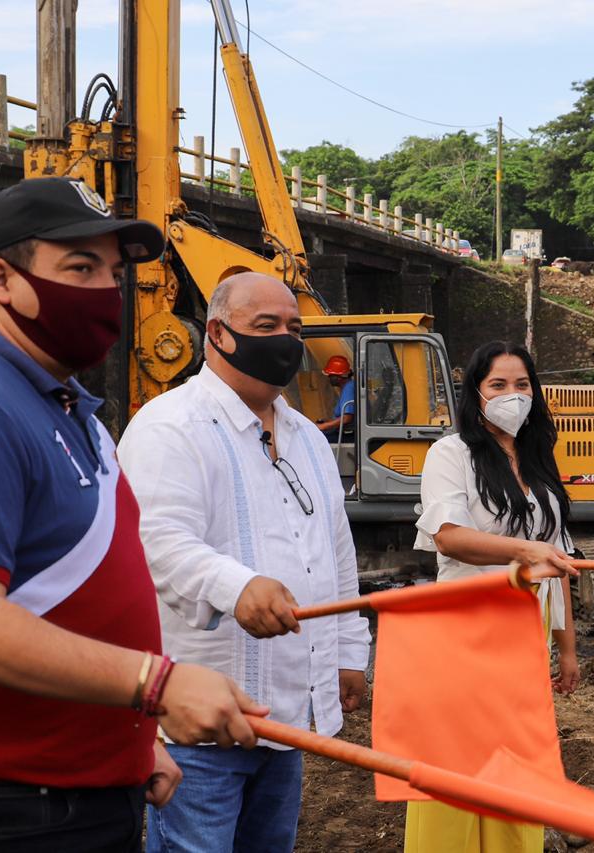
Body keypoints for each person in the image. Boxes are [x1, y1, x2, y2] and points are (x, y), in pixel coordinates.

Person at [0, 177, 268, 852]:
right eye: (78, 267)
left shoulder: (61, 402)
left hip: (72, 791)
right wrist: (156, 684)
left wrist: (129, 741)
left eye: (112, 272)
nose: (104, 292)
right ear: (1, 278)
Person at [117, 271, 371, 853]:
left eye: (293, 327)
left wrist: (349, 653)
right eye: (266, 326)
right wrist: (237, 587)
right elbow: (155, 542)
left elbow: (335, 553)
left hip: (284, 715)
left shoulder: (307, 437)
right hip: (200, 730)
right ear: (218, 334)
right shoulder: (169, 427)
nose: (285, 338)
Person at [408, 339, 580, 853]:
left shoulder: (537, 459)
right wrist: (525, 551)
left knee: (516, 761)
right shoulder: (450, 453)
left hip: (524, 642)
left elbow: (559, 560)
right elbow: (449, 536)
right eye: (499, 385)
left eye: (523, 384)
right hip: (465, 633)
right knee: (456, 765)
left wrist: (567, 648)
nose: (513, 395)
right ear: (476, 393)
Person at [315, 353, 355, 441]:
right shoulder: (348, 387)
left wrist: (323, 426)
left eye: (331, 375)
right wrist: (328, 421)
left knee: (315, 439)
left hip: (348, 435)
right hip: (346, 432)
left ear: (339, 377)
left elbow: (346, 418)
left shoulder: (349, 388)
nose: (329, 378)